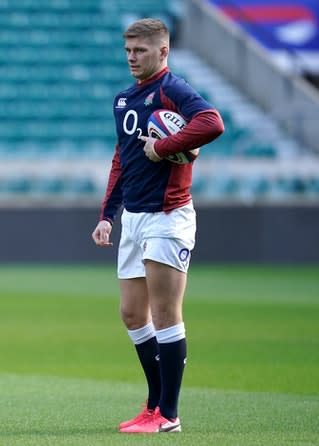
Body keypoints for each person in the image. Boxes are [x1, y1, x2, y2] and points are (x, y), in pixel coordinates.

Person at [91, 19, 224, 433]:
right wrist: (106, 215)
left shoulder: (171, 89)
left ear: (162, 52)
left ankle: (170, 415)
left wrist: (164, 146)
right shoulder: (123, 100)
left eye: (141, 51)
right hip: (133, 217)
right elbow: (122, 159)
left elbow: (212, 122)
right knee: (133, 314)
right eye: (128, 50)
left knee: (166, 313)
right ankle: (153, 405)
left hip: (169, 216)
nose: (132, 57)